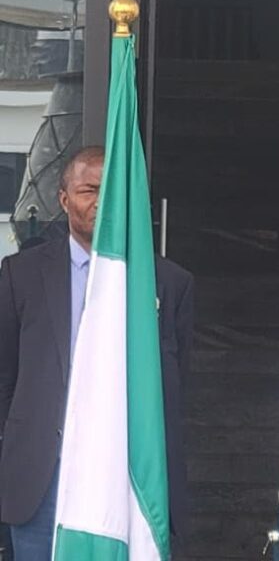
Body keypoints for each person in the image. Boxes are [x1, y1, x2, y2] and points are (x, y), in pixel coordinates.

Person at [0, 146, 193, 558]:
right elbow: (6, 377)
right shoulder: (22, 275)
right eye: (89, 190)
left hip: (128, 477)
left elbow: (175, 389)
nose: (103, 201)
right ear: (64, 199)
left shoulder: (168, 283)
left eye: (114, 190)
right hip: (43, 478)